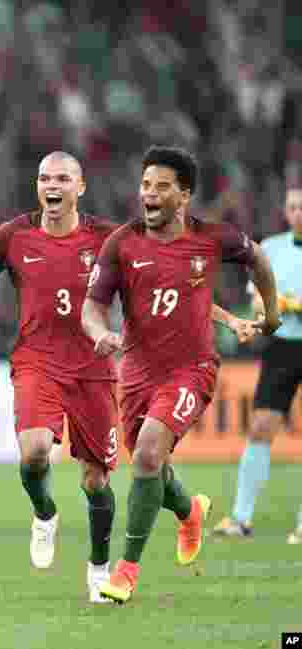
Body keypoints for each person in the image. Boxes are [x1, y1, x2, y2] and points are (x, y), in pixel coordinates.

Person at [0, 152, 260, 602]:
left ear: (80, 188)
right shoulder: (13, 235)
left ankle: (100, 568)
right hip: (36, 361)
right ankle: (44, 512)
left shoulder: (109, 238)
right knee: (35, 452)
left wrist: (229, 321)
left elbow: (168, 290)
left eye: (61, 178)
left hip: (95, 369)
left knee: (97, 480)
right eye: (43, 178)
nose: (51, 185)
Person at [80, 145, 280, 604]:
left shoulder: (212, 238)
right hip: (134, 374)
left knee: (149, 453)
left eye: (161, 186)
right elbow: (93, 306)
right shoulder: (122, 244)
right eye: (145, 185)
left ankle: (127, 572)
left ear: (183, 196)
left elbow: (260, 260)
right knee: (152, 467)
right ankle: (190, 511)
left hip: (192, 369)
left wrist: (270, 317)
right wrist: (99, 332)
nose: (148, 194)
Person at [213, 188, 302, 541]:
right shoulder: (272, 248)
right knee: (261, 427)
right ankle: (240, 518)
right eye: (293, 207)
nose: (298, 213)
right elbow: (258, 306)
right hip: (282, 348)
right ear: (285, 210)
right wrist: (274, 309)